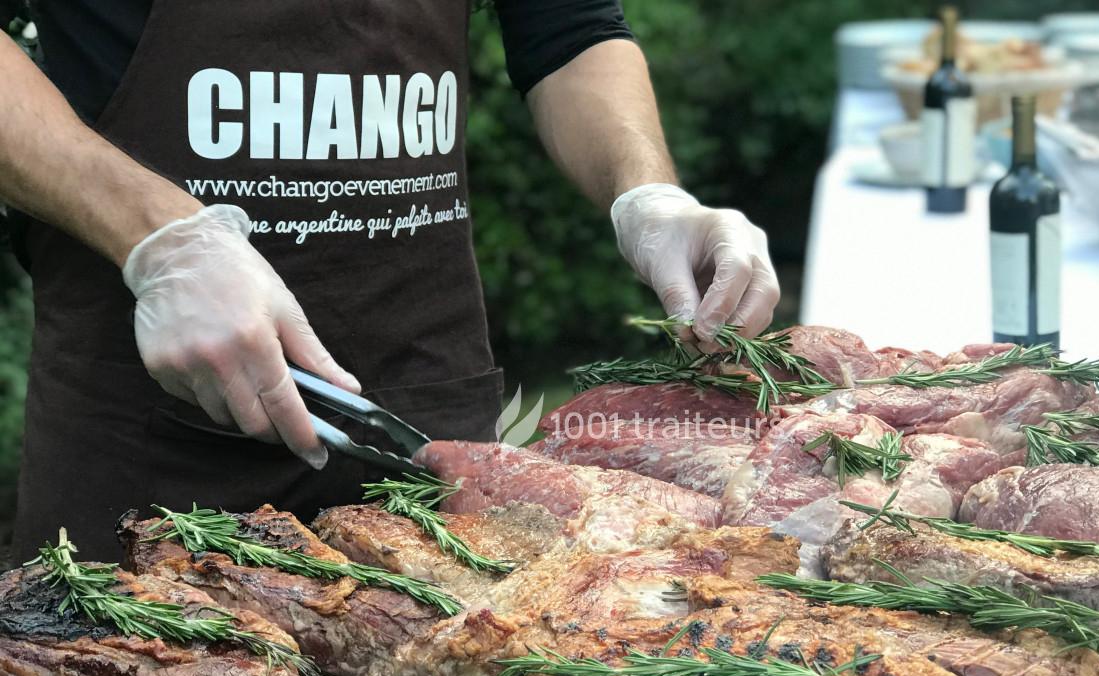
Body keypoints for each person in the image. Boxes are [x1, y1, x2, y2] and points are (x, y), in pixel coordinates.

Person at [0, 1, 780, 559]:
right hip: (150, 459)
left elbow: (570, 34)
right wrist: (158, 238)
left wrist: (647, 194)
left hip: (432, 433)